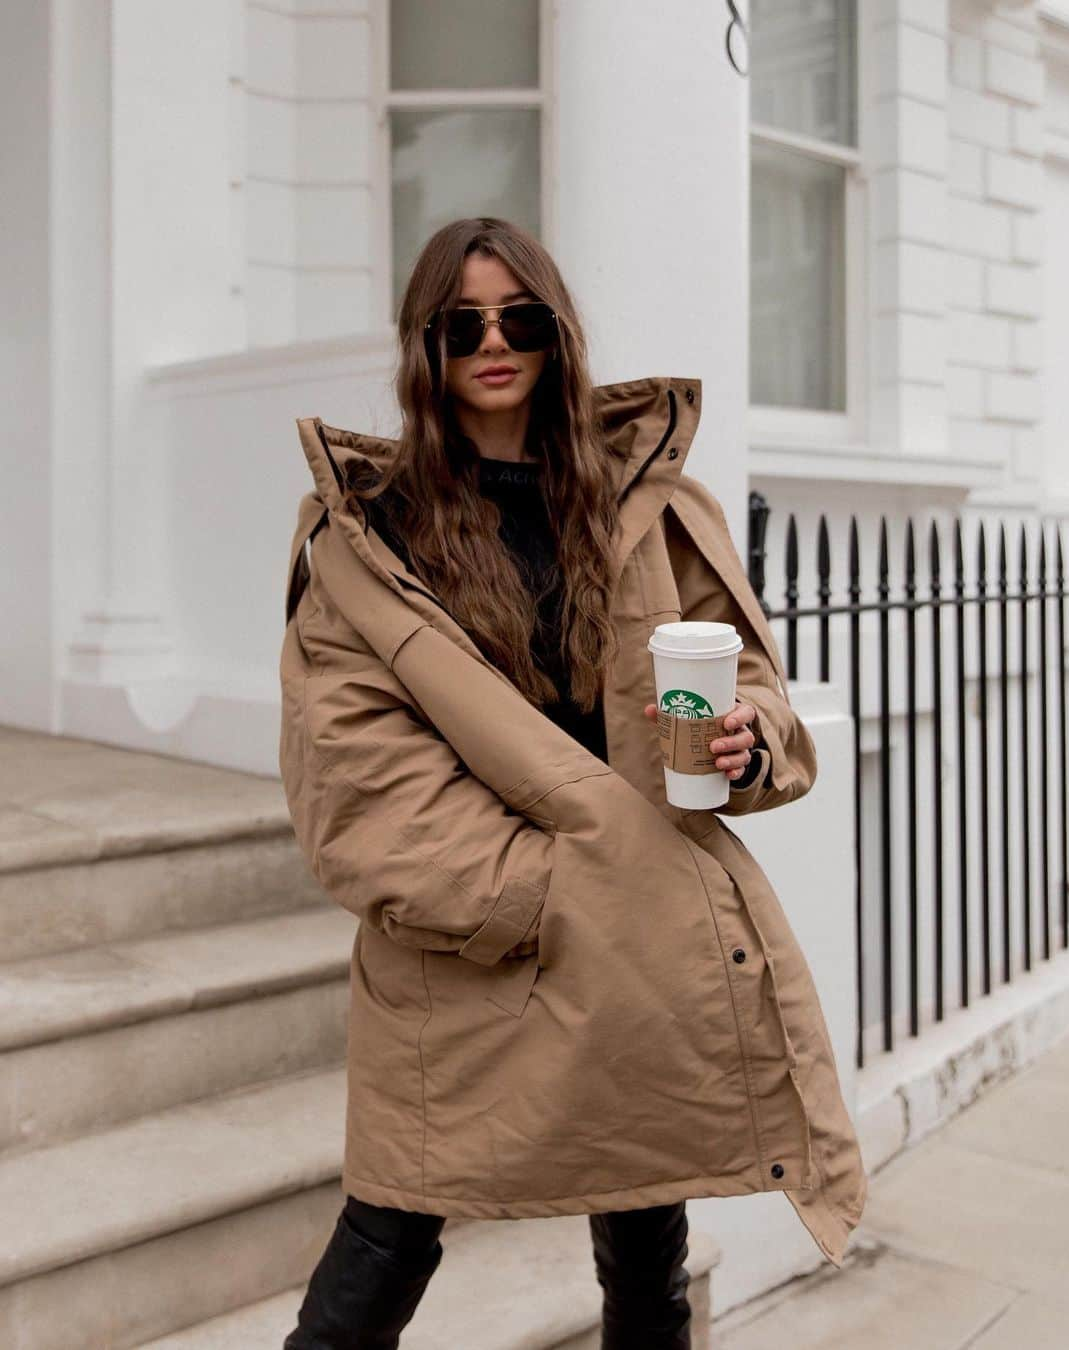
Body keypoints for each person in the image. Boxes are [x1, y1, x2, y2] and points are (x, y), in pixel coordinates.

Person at [279, 217, 867, 1349]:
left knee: (647, 1245)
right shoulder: (368, 535)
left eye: (521, 317)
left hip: (636, 946)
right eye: (462, 324)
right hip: (473, 945)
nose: (493, 342)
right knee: (388, 1236)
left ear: (559, 332)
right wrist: (553, 888)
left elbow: (744, 675)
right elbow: (355, 783)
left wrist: (751, 737)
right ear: (424, 347)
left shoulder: (645, 504)